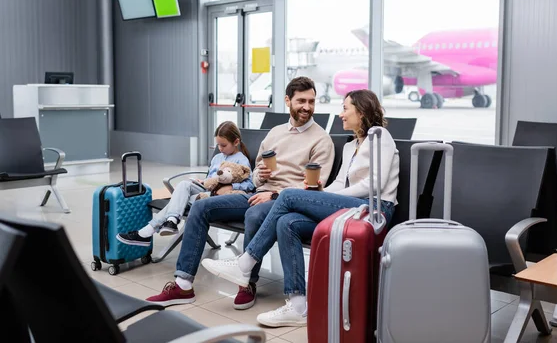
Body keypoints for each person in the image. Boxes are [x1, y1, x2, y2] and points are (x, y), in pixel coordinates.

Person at [201, 89, 400, 328]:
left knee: (287, 194)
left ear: (362, 110)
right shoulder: (350, 146)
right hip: (351, 208)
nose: (341, 114)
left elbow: (374, 185)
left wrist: (323, 198)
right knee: (287, 223)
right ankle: (297, 304)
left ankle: (246, 263)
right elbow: (339, 183)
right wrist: (319, 195)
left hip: (375, 210)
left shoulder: (381, 137)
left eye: (345, 108)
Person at [144, 76, 335, 307]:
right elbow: (253, 176)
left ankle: (247, 283)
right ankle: (183, 284)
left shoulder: (321, 140)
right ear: (288, 101)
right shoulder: (275, 133)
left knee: (253, 214)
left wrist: (274, 194)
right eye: (301, 100)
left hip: (285, 202)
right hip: (257, 194)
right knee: (201, 206)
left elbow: (314, 188)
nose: (307, 107)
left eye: (311, 101)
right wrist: (260, 175)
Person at [116, 121, 254, 246]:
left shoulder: (241, 160)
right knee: (183, 185)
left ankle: (148, 231)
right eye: (218, 144)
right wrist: (203, 181)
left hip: (219, 197)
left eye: (223, 145)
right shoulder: (217, 157)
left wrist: (232, 187)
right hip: (206, 189)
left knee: (181, 199)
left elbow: (250, 184)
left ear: (236, 142)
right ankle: (171, 221)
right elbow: (211, 178)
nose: (220, 148)